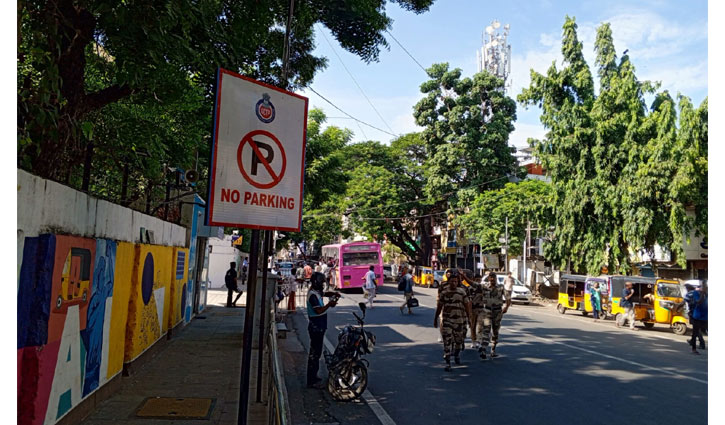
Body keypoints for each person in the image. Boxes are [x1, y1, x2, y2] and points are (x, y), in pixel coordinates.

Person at [433, 270, 474, 371]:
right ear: (449, 281)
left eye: (456, 281)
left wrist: (469, 319)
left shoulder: (462, 292)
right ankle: (448, 362)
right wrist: (436, 318)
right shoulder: (444, 292)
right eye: (452, 281)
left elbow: (467, 305)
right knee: (447, 341)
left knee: (459, 341)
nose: (454, 283)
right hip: (447, 320)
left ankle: (456, 354)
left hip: (459, 320)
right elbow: (439, 306)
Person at [306, 272, 341, 388]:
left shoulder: (316, 292)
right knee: (314, 355)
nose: (322, 285)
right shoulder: (312, 295)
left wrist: (333, 293)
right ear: (316, 283)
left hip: (320, 326)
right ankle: (311, 381)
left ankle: (314, 377)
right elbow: (318, 311)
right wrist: (329, 305)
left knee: (317, 353)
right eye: (321, 282)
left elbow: (324, 293)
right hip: (316, 326)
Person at [475, 271, 509, 359]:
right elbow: (474, 284)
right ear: (489, 278)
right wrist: (464, 277)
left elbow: (508, 298)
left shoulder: (501, 287)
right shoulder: (485, 286)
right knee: (486, 329)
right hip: (487, 311)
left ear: (496, 278)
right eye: (491, 277)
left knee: (495, 331)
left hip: (497, 312)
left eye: (494, 277)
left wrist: (506, 307)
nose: (492, 279)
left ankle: (493, 350)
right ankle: (483, 348)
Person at [459, 269, 483, 349]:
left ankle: (479, 341)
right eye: (476, 280)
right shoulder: (469, 289)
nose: (478, 281)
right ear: (473, 279)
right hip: (472, 309)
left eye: (479, 280)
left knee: (480, 325)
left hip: (480, 309)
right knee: (472, 326)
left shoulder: (482, 288)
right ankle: (473, 341)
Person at [685, 284, 707, 354]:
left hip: (706, 316)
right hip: (697, 315)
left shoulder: (707, 294)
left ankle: (700, 343)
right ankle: (694, 349)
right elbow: (698, 302)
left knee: (698, 331)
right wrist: (702, 294)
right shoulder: (695, 293)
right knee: (695, 332)